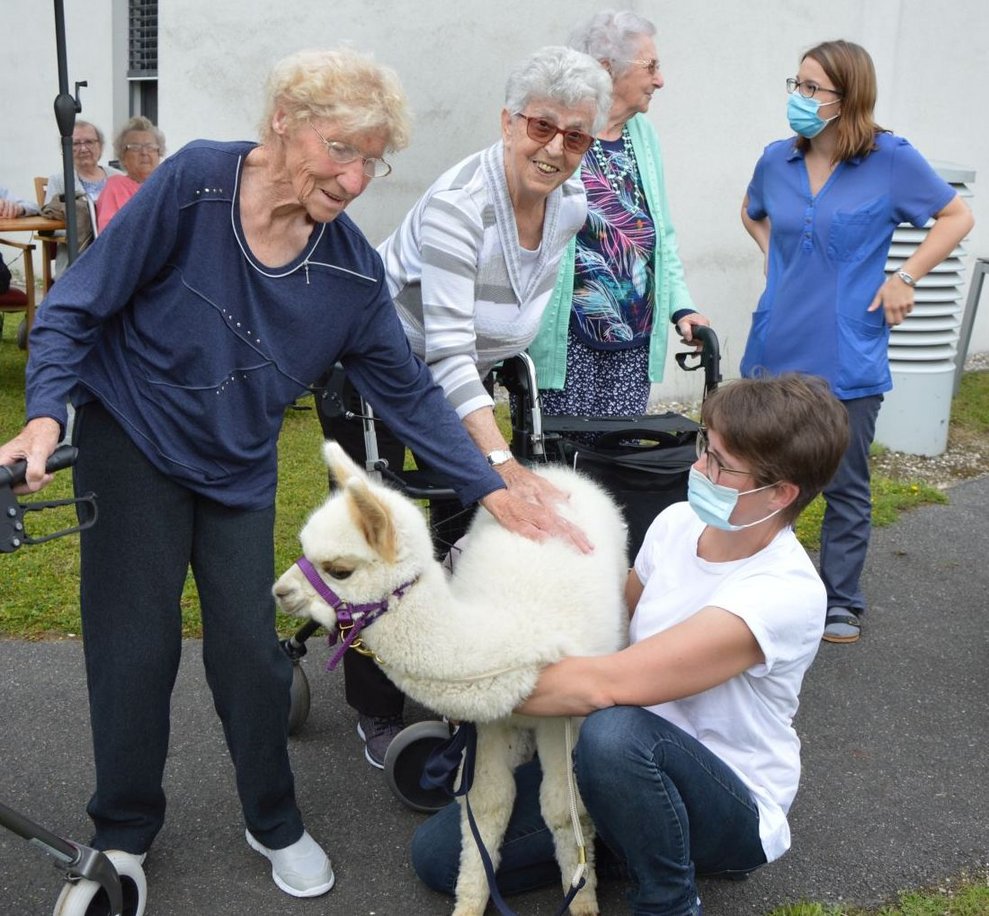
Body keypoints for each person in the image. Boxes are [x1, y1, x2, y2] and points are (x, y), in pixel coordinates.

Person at [0, 47, 583, 901]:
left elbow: (410, 392)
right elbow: (78, 306)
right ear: (283, 123)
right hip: (132, 440)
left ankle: (271, 816)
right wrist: (46, 414)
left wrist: (495, 484)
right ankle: (122, 830)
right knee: (134, 647)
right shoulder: (196, 184)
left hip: (237, 463)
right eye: (339, 151)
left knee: (251, 653)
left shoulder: (348, 272)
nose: (354, 180)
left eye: (370, 161)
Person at [411, 373, 850, 916]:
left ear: (780, 493)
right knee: (436, 857)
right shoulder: (677, 523)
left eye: (719, 465)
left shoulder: (781, 593)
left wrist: (453, 680)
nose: (698, 470)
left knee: (613, 730)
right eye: (704, 447)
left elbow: (604, 682)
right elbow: (614, 623)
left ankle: (669, 899)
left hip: (724, 799)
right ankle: (628, 834)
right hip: (620, 769)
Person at [320, 44, 612, 769]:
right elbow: (445, 353)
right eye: (541, 127)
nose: (555, 149)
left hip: (461, 386)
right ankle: (377, 710)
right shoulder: (461, 209)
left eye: (575, 137)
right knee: (378, 538)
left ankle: (459, 669)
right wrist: (501, 463)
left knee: (465, 525)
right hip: (376, 375)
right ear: (508, 121)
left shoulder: (567, 207)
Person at [740, 39, 974, 644]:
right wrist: (776, 258)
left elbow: (956, 218)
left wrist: (905, 276)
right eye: (796, 84)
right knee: (763, 478)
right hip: (775, 345)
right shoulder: (776, 160)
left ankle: (841, 600)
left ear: (849, 99)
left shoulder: (890, 160)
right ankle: (760, 590)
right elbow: (753, 211)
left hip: (847, 351)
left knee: (844, 483)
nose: (800, 97)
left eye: (813, 88)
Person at [528, 9, 709, 421]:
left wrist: (681, 307)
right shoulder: (558, 133)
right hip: (569, 339)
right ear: (606, 70)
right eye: (651, 67)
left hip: (634, 338)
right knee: (564, 461)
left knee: (620, 463)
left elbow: (660, 234)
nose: (659, 80)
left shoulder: (643, 137)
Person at [44, 120, 122, 270]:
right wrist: (86, 229)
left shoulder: (118, 177)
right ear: (65, 149)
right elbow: (49, 225)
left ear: (100, 146)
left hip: (117, 255)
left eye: (89, 142)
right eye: (76, 143)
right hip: (76, 261)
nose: (84, 148)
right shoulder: (59, 181)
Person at [94, 115, 165, 231]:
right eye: (135, 147)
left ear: (159, 153)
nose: (144, 152)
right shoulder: (116, 187)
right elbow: (109, 234)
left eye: (150, 147)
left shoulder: (167, 186)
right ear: (123, 156)